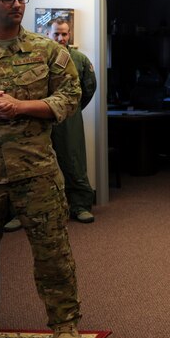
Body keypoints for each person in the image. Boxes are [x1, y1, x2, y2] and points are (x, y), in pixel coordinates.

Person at [0, 0, 82, 338]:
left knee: (53, 254)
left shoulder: (47, 51)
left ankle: (65, 324)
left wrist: (20, 107)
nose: (17, 5)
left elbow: (70, 96)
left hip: (36, 174)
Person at [47, 18, 97, 223]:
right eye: (56, 33)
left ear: (69, 35)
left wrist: (72, 110)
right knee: (30, 163)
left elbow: (89, 88)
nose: (60, 38)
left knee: (73, 160)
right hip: (38, 116)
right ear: (48, 34)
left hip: (68, 118)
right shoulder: (36, 57)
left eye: (64, 34)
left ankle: (80, 205)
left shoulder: (79, 59)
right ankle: (22, 212)